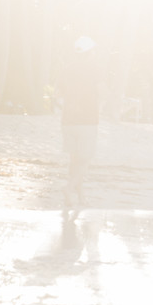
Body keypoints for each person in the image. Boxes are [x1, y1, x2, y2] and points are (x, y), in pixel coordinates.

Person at [59, 36, 101, 209]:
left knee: (74, 160)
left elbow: (57, 93)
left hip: (68, 120)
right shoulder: (95, 70)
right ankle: (69, 189)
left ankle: (80, 197)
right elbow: (102, 91)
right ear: (90, 52)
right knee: (84, 160)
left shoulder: (66, 69)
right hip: (87, 120)